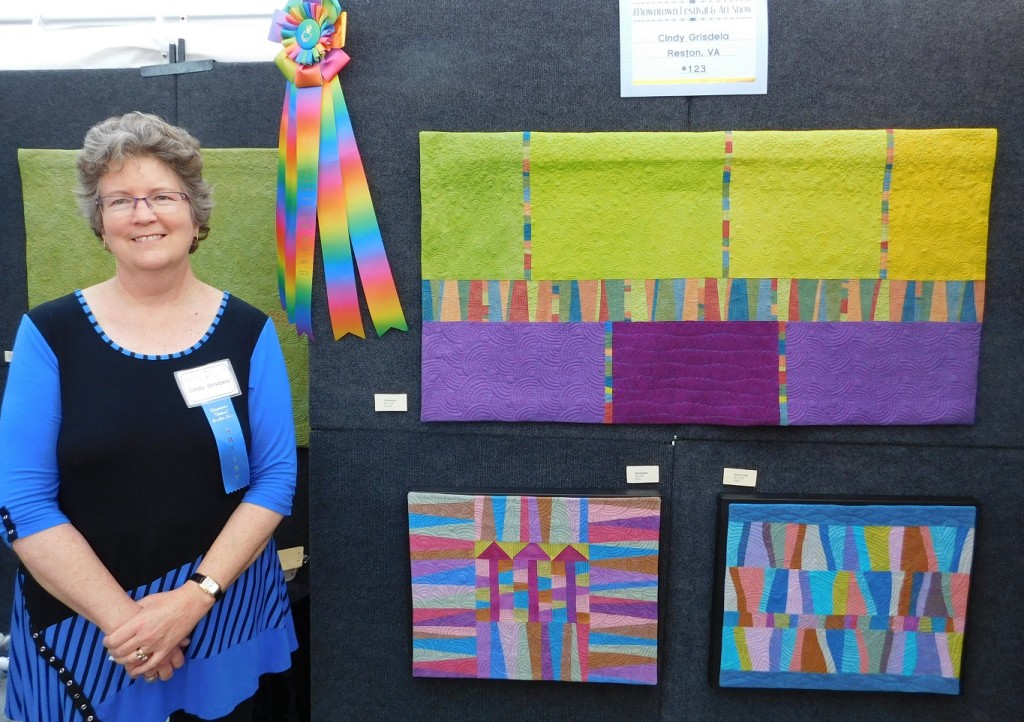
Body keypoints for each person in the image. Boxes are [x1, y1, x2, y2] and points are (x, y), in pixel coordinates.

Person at [0, 112, 298, 721]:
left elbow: (274, 479)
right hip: (86, 631)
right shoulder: (49, 334)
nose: (143, 214)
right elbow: (23, 502)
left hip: (222, 615)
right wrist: (129, 625)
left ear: (194, 216)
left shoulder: (248, 332)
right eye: (120, 200)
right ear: (100, 224)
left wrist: (191, 602)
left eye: (163, 195)